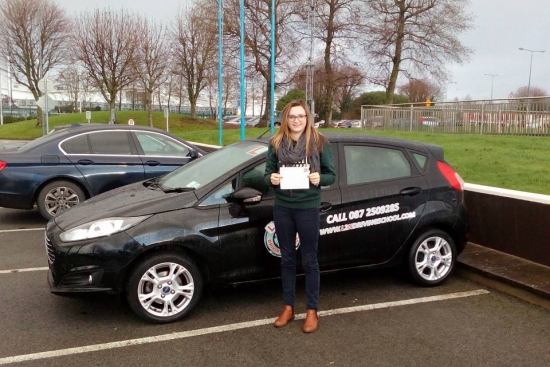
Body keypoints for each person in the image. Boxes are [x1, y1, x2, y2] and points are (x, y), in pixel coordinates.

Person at [264, 99, 336, 333]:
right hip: (283, 206)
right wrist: (271, 179)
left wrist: (319, 179)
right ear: (286, 119)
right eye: (292, 116)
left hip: (307, 207)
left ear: (307, 118)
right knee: (286, 258)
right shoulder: (275, 143)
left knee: (309, 259)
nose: (297, 120)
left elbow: (331, 175)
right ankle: (288, 307)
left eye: (301, 116)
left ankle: (312, 310)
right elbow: (267, 174)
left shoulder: (319, 142)